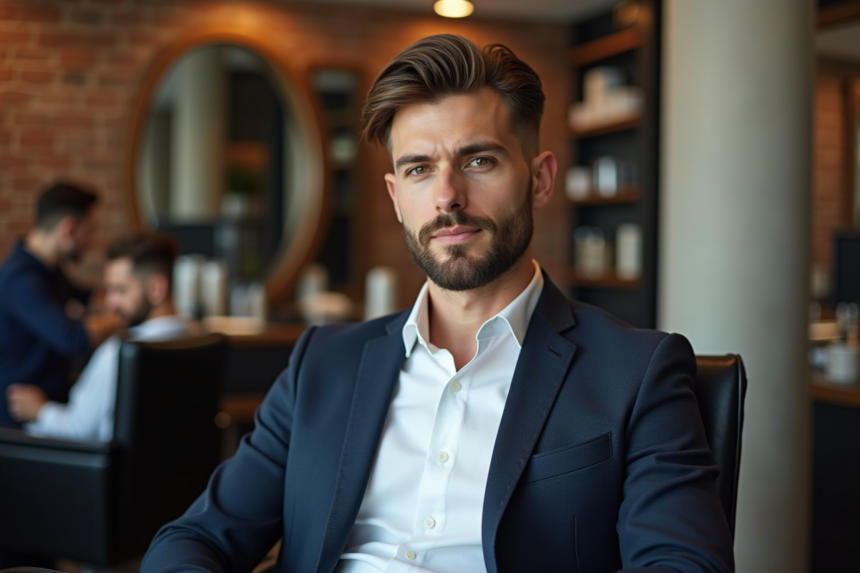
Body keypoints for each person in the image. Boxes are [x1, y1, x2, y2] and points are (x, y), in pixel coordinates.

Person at [142, 35, 734, 573]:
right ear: (398, 199)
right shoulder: (321, 364)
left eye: (479, 160)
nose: (448, 196)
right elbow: (196, 540)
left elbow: (683, 565)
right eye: (420, 169)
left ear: (541, 179)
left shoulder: (637, 372)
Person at [7, 233, 188, 442]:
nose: (110, 303)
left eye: (120, 290)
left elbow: (78, 431)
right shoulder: (195, 336)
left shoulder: (119, 352)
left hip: (100, 469)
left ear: (157, 289)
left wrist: (40, 411)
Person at [0, 182, 119, 429]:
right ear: (68, 229)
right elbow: (72, 337)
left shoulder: (50, 270)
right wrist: (123, 315)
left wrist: (118, 293)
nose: (91, 241)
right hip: (19, 424)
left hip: (50, 409)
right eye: (90, 231)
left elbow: (87, 296)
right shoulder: (20, 279)